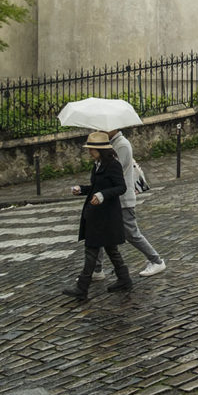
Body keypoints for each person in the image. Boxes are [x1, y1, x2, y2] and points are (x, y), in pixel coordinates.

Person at [62, 132, 132, 299]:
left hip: (106, 215)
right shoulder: (97, 165)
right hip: (97, 214)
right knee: (110, 248)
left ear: (100, 149)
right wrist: (81, 189)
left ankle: (82, 287)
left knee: (92, 249)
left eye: (92, 149)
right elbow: (95, 187)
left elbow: (121, 187)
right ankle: (124, 278)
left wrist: (102, 195)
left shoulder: (113, 165)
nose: (89, 152)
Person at [91, 128, 166, 279]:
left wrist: (101, 157)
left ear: (115, 128)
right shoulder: (112, 143)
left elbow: (113, 170)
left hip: (122, 198)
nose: (101, 130)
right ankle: (96, 269)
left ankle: (156, 260)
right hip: (111, 198)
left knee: (131, 233)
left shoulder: (122, 145)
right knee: (98, 231)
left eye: (105, 128)